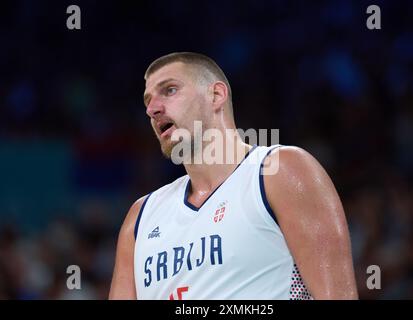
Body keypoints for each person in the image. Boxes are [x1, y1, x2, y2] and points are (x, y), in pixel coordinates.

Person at [109, 52, 358, 300]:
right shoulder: (141, 217)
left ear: (216, 95)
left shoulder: (280, 171)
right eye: (148, 101)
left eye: (170, 90)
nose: (152, 109)